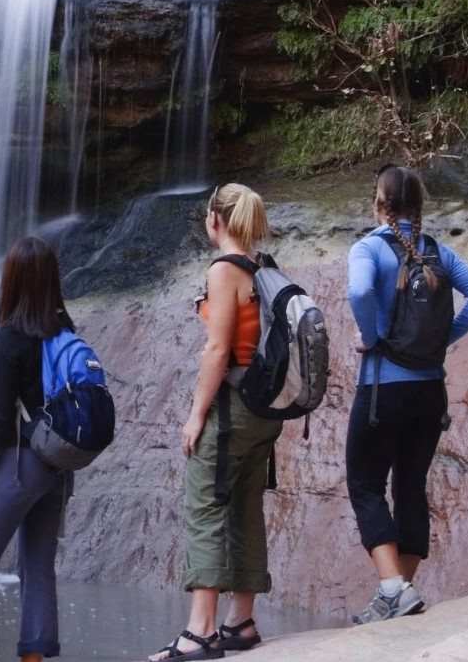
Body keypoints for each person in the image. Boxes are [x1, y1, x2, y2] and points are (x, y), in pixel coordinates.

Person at [346, 164, 468, 625]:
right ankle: (402, 590)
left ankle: (392, 587)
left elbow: (359, 291)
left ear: (378, 203)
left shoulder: (369, 248)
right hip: (429, 391)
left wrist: (372, 336)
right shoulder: (438, 252)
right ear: (419, 207)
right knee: (410, 485)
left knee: (365, 483)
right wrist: (442, 339)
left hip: (382, 390)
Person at [147, 183, 280, 659]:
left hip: (232, 410)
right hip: (265, 410)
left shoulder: (225, 270)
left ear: (215, 220)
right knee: (245, 508)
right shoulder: (265, 267)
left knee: (205, 506)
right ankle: (240, 621)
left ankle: (199, 631)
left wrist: (195, 415)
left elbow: (219, 349)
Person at [0, 234, 71, 662]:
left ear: (13, 280)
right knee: (37, 568)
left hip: (22, 463)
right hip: (59, 465)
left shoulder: (12, 337)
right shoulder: (65, 330)